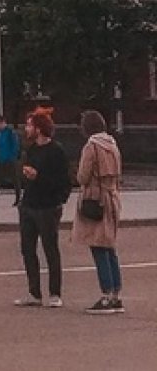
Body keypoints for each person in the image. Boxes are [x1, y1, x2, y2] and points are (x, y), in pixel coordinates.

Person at [15, 111, 70, 308]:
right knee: (27, 249)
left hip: (48, 207)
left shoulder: (56, 151)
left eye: (29, 125)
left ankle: (55, 293)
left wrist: (57, 201)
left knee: (50, 249)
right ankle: (34, 293)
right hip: (29, 205)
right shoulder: (31, 150)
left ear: (38, 128)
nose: (26, 129)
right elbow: (28, 176)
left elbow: (63, 182)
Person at [72, 109, 124, 313]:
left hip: (95, 198)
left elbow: (83, 177)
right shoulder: (113, 145)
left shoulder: (91, 146)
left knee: (97, 246)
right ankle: (116, 294)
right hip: (112, 196)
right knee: (110, 246)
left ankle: (105, 295)